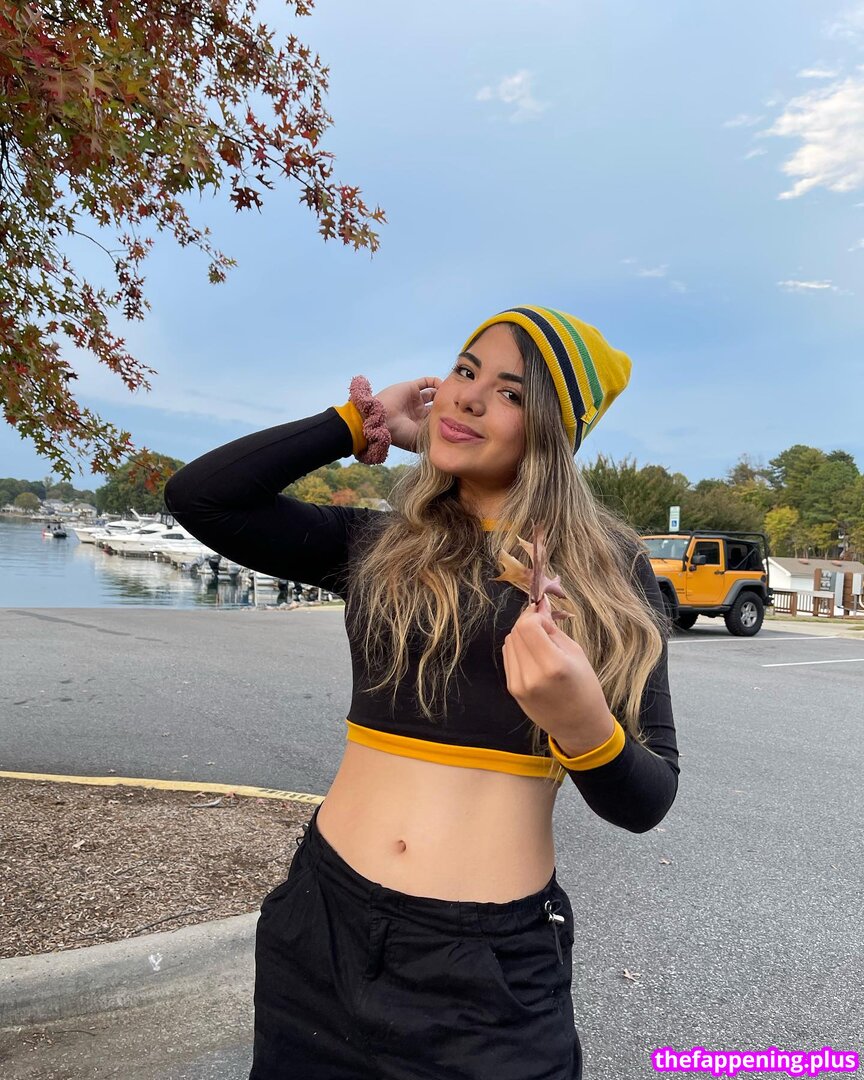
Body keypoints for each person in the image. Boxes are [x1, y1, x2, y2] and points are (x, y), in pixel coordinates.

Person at [164, 304, 679, 1080]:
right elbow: (202, 497)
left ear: (552, 431)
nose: (468, 395)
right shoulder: (380, 544)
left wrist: (584, 727)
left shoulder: (607, 572)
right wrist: (356, 423)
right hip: (319, 931)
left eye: (510, 392)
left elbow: (648, 798)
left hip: (486, 979)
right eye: (465, 372)